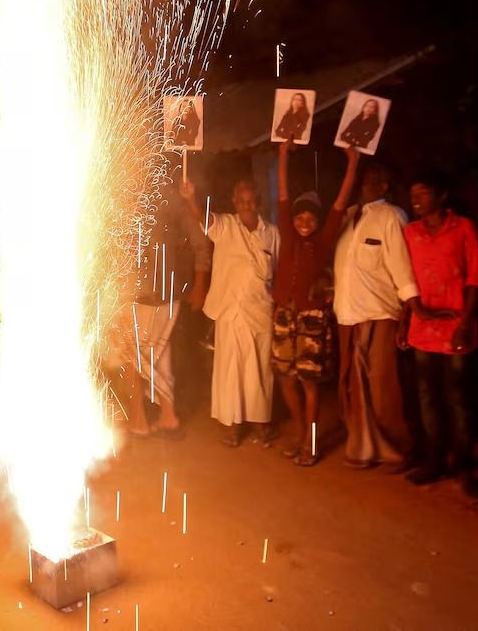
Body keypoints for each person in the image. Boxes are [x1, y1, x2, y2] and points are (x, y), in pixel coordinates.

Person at [400, 175, 478, 501]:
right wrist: (404, 320)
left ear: (442, 195)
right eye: (413, 194)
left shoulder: (463, 228)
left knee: (458, 398)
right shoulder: (411, 232)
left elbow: (476, 278)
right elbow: (405, 278)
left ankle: (464, 467)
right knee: (426, 395)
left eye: (423, 193)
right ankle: (436, 460)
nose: (417, 200)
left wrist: (466, 321)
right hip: (423, 327)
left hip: (456, 326)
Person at [333, 163, 427, 469]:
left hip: (380, 312)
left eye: (374, 181)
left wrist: (410, 312)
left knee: (384, 387)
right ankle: (362, 448)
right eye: (364, 179)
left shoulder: (391, 216)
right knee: (353, 385)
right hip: (348, 313)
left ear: (385, 186)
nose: (365, 185)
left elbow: (402, 265)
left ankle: (398, 449)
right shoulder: (348, 216)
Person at [271, 140, 359, 466]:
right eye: (300, 216)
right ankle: (300, 434)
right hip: (283, 314)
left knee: (308, 382)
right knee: (285, 379)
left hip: (311, 318)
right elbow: (282, 198)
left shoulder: (323, 241)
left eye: (311, 217)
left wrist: (352, 162)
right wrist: (282, 154)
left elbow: (339, 204)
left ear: (319, 222)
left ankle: (310, 443)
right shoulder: (287, 233)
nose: (304, 221)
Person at [103, 179, 211, 437]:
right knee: (150, 356)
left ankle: (144, 419)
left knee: (140, 356)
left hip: (159, 295)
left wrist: (199, 285)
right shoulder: (118, 196)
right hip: (131, 293)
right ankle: (165, 416)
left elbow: (200, 242)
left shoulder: (170, 200)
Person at [188, 176, 280, 447]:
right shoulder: (226, 225)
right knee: (230, 370)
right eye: (242, 201)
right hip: (230, 310)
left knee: (260, 370)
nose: (247, 206)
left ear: (259, 201)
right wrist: (191, 198)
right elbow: (205, 219)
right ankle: (232, 426)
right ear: (234, 203)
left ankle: (261, 422)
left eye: (251, 201)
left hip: (259, 310)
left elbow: (278, 269)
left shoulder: (271, 232)